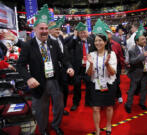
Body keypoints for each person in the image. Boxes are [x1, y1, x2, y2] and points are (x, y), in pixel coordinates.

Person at [16, 4, 74, 135]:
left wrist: (69, 67)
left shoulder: (53, 43)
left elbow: (63, 59)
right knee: (42, 110)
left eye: (46, 28)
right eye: (41, 28)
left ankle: (56, 125)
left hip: (55, 81)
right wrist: (28, 78)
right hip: (38, 83)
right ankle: (43, 130)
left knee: (59, 107)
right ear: (35, 29)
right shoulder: (28, 45)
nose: (44, 31)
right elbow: (20, 65)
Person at [86, 19, 117, 135]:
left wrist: (107, 64)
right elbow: (89, 74)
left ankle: (108, 125)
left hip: (108, 83)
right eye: (96, 41)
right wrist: (91, 64)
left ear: (105, 42)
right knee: (95, 108)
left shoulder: (111, 54)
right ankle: (97, 129)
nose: (97, 43)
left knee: (109, 107)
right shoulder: (91, 55)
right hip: (96, 84)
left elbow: (113, 73)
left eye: (100, 40)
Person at [66, 22, 94, 111]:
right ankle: (75, 103)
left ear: (87, 32)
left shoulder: (91, 40)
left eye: (84, 32)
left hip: (88, 68)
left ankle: (89, 101)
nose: (82, 34)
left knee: (89, 85)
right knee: (76, 86)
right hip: (77, 68)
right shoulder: (75, 41)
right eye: (80, 32)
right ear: (78, 33)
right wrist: (74, 36)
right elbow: (68, 46)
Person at [124, 24, 147, 113]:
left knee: (143, 89)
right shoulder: (132, 50)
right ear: (137, 41)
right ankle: (128, 105)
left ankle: (142, 103)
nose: (144, 40)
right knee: (132, 90)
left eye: (145, 39)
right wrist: (142, 56)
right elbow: (132, 61)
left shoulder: (146, 47)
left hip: (145, 73)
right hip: (135, 73)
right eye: (142, 39)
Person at [48, 17, 70, 115]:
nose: (59, 31)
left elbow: (63, 55)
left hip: (64, 70)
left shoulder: (60, 38)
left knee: (65, 90)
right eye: (56, 29)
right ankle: (56, 110)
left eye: (59, 29)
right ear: (50, 30)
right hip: (53, 71)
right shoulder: (47, 41)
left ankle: (62, 108)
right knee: (55, 93)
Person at [106, 25, 125, 103]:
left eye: (107, 33)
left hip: (116, 66)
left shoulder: (116, 44)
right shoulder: (101, 45)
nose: (106, 35)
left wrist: (123, 67)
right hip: (105, 67)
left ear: (110, 34)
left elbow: (121, 56)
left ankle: (119, 95)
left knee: (116, 82)